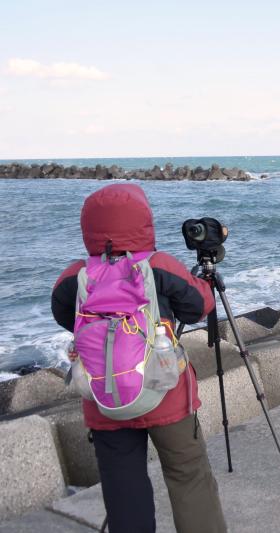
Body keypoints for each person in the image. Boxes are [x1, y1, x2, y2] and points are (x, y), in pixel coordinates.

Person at [51, 184, 227, 533]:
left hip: (105, 398)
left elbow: (62, 315)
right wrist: (204, 280)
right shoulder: (160, 265)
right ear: (144, 220)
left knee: (123, 489)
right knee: (188, 475)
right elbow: (198, 307)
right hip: (165, 394)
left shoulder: (75, 275)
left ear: (90, 226)